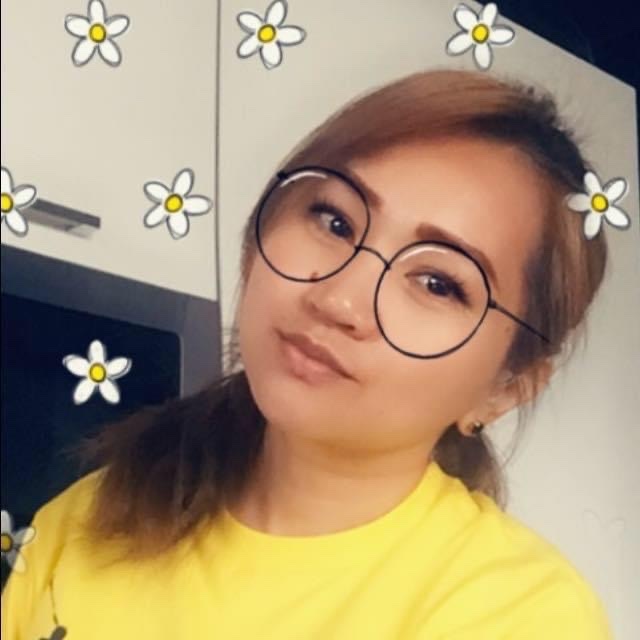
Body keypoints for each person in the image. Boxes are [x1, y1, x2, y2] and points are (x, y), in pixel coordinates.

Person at [1, 69, 614, 639]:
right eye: (335, 222)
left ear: (504, 389)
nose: (338, 299)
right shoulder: (86, 518)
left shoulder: (519, 613)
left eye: (437, 283)